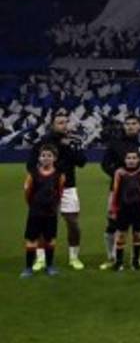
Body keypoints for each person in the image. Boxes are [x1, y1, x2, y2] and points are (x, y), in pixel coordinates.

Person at [26, 109, 87, 271]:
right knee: (41, 223)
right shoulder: (43, 142)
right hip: (46, 188)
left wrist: (69, 148)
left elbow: (82, 162)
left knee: (73, 223)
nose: (64, 125)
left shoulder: (74, 140)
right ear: (52, 125)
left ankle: (74, 257)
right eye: (60, 122)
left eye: (66, 122)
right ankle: (40, 258)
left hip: (68, 187)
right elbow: (31, 165)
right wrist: (42, 177)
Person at [103, 115, 140, 268]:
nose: (130, 126)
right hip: (117, 191)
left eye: (133, 123)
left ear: (139, 125)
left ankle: (136, 258)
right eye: (127, 124)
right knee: (112, 222)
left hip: (139, 193)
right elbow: (105, 164)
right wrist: (118, 175)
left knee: (138, 226)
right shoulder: (115, 143)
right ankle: (111, 256)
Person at [22, 145, 64, 277]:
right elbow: (27, 193)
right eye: (43, 155)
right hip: (35, 212)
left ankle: (49, 266)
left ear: (55, 158)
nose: (46, 158)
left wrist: (53, 206)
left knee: (50, 239)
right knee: (31, 239)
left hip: (51, 213)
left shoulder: (59, 176)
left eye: (49, 156)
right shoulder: (32, 174)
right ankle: (28, 267)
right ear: (39, 158)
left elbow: (60, 193)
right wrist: (34, 205)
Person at [108, 150, 140, 272]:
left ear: (138, 160)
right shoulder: (119, 172)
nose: (131, 160)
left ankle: (135, 261)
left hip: (138, 208)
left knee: (138, 235)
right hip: (123, 209)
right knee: (121, 235)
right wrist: (114, 208)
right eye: (128, 158)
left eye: (134, 158)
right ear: (124, 160)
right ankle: (119, 262)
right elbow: (115, 192)